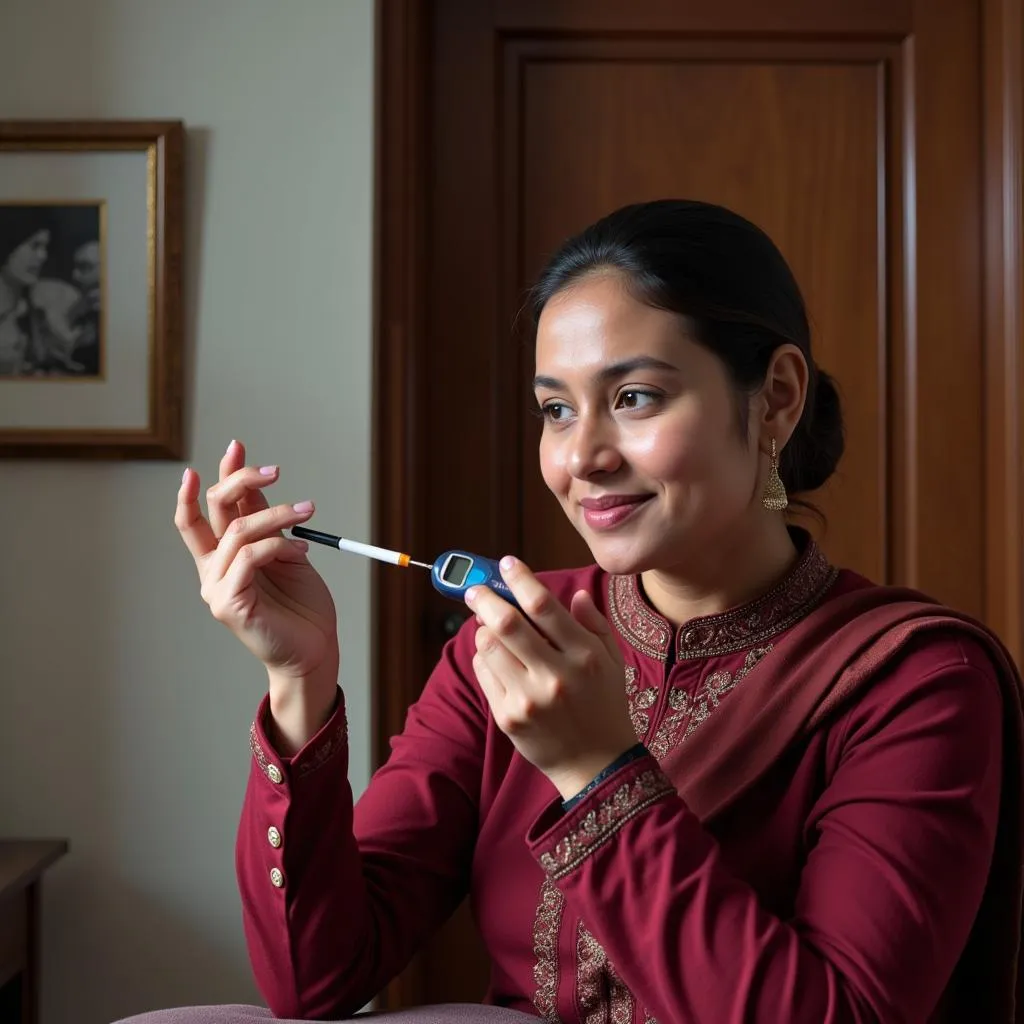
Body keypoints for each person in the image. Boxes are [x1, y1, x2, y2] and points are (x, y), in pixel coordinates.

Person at [150, 200, 1022, 1024]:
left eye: (635, 397)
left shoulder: (918, 680)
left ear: (779, 398)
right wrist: (299, 679)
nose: (583, 457)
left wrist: (600, 773)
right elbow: (316, 979)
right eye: (556, 410)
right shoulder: (508, 643)